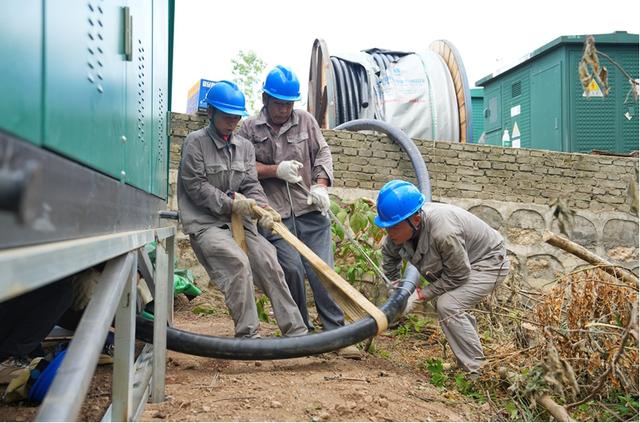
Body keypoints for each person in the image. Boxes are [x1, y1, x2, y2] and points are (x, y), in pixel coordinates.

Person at [238, 66, 360, 358]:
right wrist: (275, 170)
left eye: (289, 104)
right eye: (278, 103)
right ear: (265, 99)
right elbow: (241, 167)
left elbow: (323, 153)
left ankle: (336, 335)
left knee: (322, 271)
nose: (284, 109)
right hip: (275, 215)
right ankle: (301, 334)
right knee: (291, 269)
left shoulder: (305, 121)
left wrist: (320, 185)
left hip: (310, 210)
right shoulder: (248, 129)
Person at [178, 80, 307, 338]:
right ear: (211, 112)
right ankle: (248, 334)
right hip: (207, 225)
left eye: (236, 117)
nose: (232, 123)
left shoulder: (244, 147)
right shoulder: (195, 143)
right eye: (227, 116)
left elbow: (250, 183)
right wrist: (231, 203)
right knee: (237, 262)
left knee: (270, 261)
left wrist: (264, 208)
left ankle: (296, 332)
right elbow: (196, 186)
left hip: (241, 223)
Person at [375, 180, 509, 374]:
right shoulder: (397, 233)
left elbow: (459, 274)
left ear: (416, 220)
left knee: (448, 305)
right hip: (463, 264)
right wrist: (396, 289)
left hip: (489, 262)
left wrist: (420, 295)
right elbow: (389, 258)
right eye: (387, 226)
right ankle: (468, 358)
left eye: (394, 226)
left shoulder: (444, 232)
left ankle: (477, 371)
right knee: (451, 304)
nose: (389, 232)